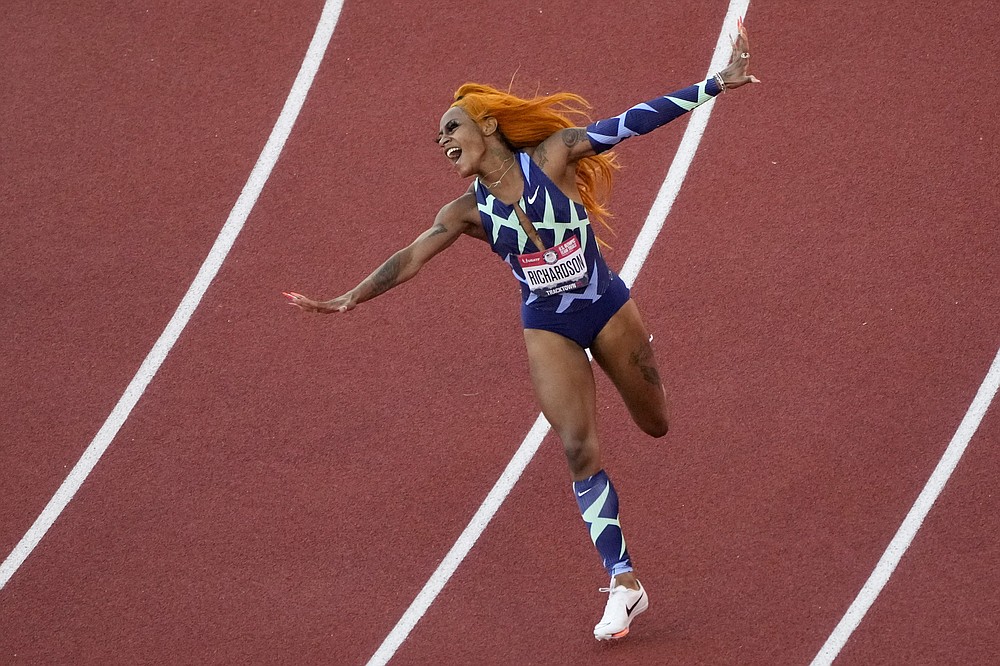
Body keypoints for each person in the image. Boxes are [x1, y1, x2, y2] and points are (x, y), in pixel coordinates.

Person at [285, 21, 758, 641]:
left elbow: (633, 122)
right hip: (547, 324)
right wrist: (349, 298)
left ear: (486, 125)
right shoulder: (463, 214)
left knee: (655, 423)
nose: (441, 141)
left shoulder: (555, 154)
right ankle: (624, 581)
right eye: (436, 137)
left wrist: (715, 84)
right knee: (576, 448)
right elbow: (411, 257)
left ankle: (633, 360)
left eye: (450, 127)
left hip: (606, 306)